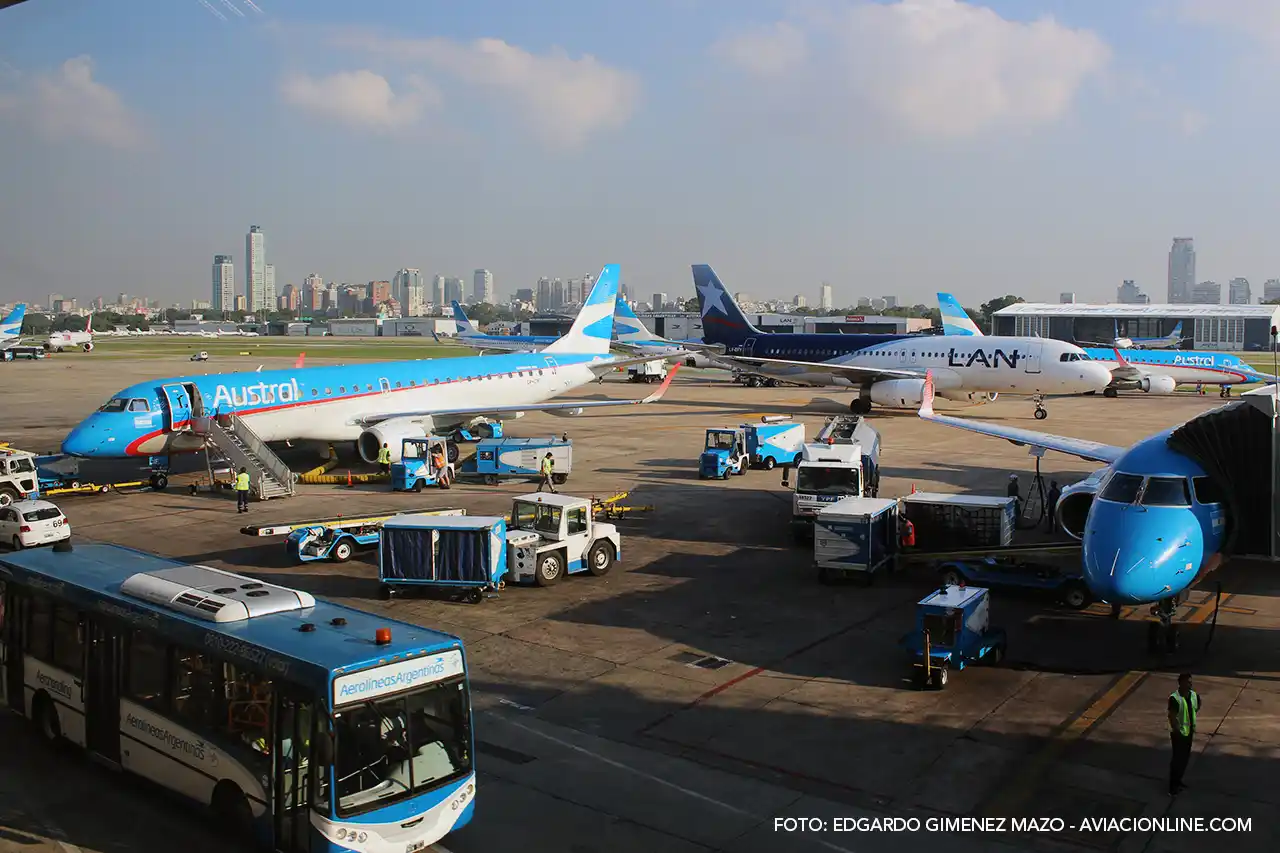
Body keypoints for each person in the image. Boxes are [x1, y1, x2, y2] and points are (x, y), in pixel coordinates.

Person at [1168, 673, 1201, 796]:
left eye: (1191, 682)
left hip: (1189, 732)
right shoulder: (1174, 698)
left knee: (1185, 759)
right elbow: (1172, 717)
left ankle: (1179, 781)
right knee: (1177, 760)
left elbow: (1197, 706)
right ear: (1181, 683)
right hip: (1178, 735)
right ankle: (1172, 787)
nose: (1190, 684)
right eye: (1188, 682)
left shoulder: (1193, 695)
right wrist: (1177, 731)